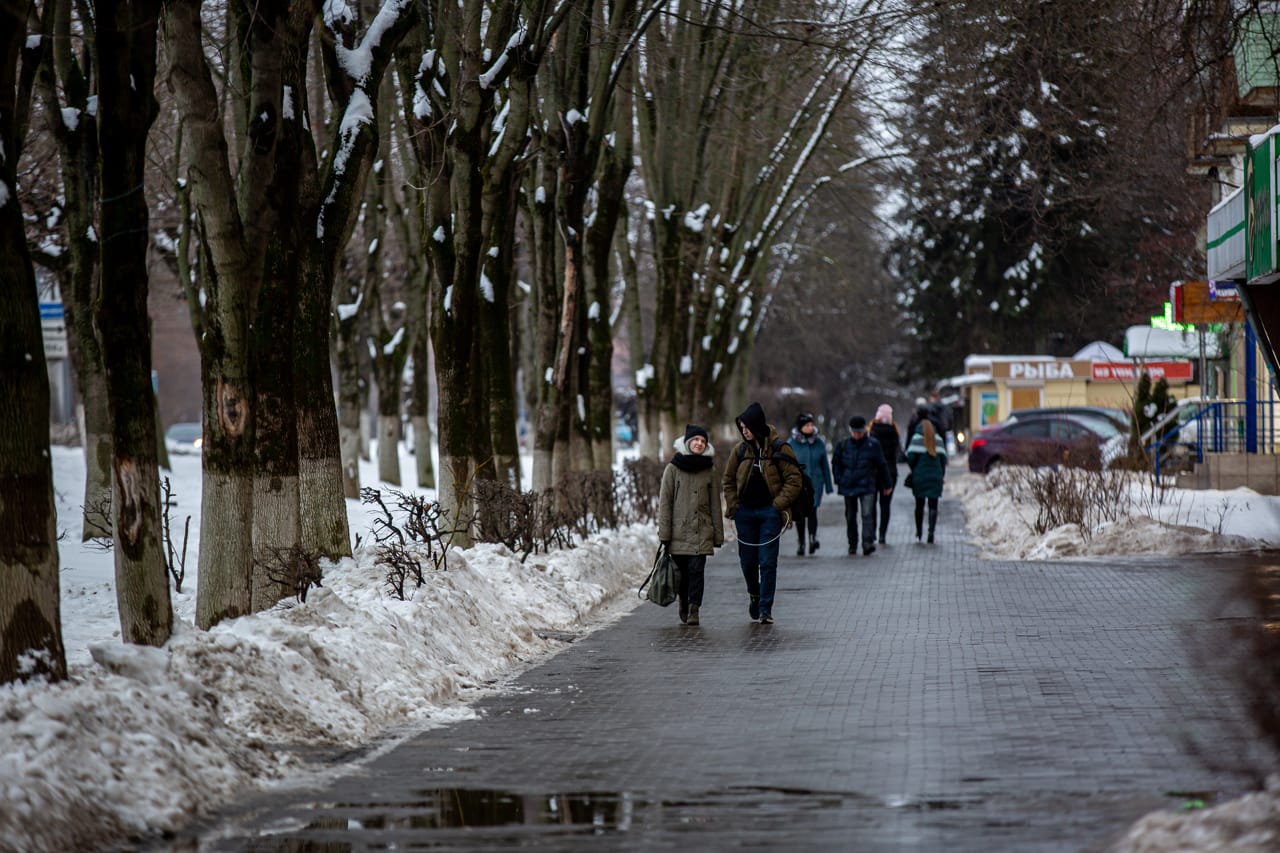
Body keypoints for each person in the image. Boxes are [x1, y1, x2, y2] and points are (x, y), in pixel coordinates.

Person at [723, 402, 802, 625]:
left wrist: (777, 505)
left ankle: (765, 608)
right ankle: (754, 595)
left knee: (767, 562)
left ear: (757, 424)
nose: (744, 430)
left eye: (747, 426)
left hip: (770, 513)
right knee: (748, 562)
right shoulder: (739, 451)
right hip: (745, 513)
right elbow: (728, 480)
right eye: (741, 427)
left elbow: (794, 479)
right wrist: (734, 505)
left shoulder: (779, 448)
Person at [658, 424, 725, 626]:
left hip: (701, 531)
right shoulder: (673, 468)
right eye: (696, 440)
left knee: (697, 571)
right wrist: (664, 533)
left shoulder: (710, 471)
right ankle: (684, 603)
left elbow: (715, 504)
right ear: (687, 443)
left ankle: (694, 609)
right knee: (683, 575)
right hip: (678, 532)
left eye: (703, 441)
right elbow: (665, 502)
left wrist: (718, 534)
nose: (699, 443)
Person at [831, 415, 891, 556]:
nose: (857, 435)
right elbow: (836, 463)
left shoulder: (873, 445)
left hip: (867, 485)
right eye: (855, 432)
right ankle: (852, 544)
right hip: (848, 485)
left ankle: (867, 543)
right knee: (851, 516)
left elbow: (882, 465)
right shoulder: (843, 444)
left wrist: (887, 483)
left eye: (860, 432)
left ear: (864, 430)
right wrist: (839, 479)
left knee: (867, 514)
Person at [787, 413, 834, 556]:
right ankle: (801, 542)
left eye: (811, 425)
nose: (810, 427)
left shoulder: (819, 442)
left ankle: (813, 539)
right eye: (807, 425)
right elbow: (786, 465)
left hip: (815, 484)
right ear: (800, 427)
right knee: (800, 515)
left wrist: (829, 485)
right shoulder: (791, 443)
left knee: (812, 512)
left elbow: (825, 465)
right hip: (799, 485)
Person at [906, 418, 948, 544]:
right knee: (933, 505)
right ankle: (931, 533)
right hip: (935, 477)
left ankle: (919, 532)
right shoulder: (938, 441)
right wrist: (941, 476)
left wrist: (915, 470)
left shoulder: (916, 439)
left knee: (919, 505)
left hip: (920, 478)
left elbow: (910, 458)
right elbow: (943, 461)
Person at [869, 405, 901, 544]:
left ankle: (873, 531)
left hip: (874, 473)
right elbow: (898, 453)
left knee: (872, 504)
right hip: (890, 473)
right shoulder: (894, 432)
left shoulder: (872, 431)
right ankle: (882, 533)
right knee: (885, 505)